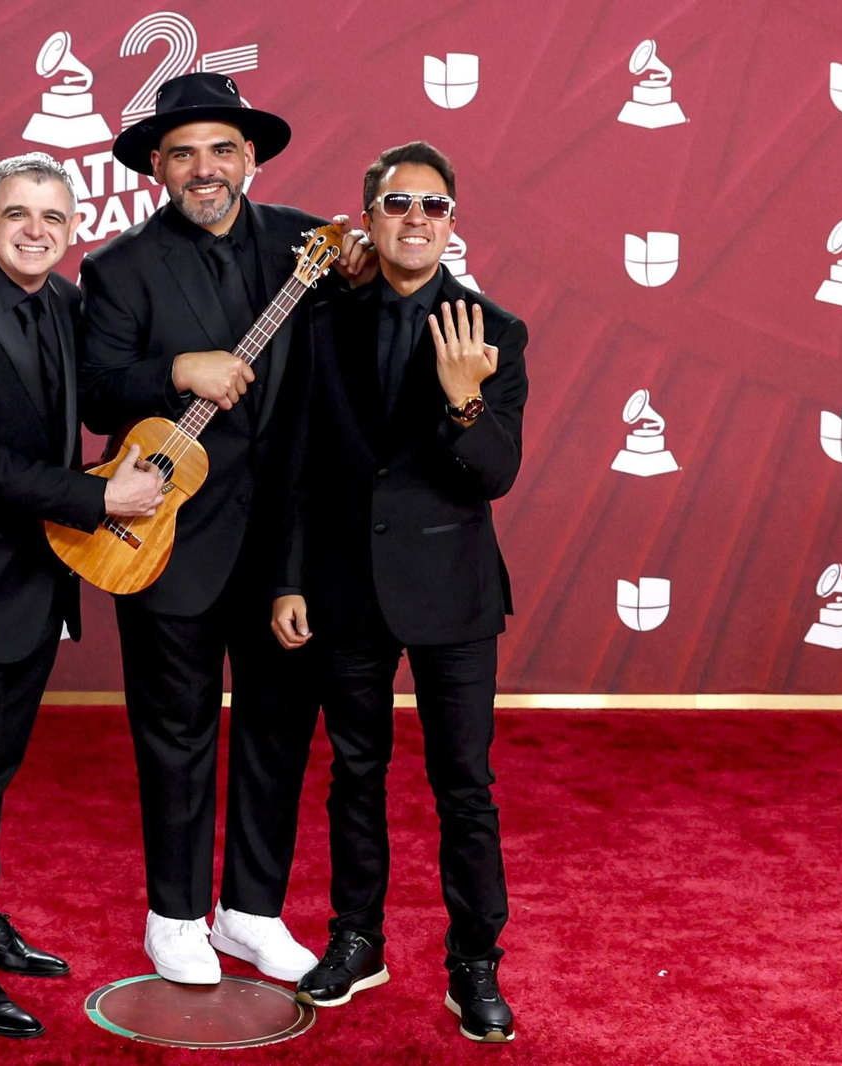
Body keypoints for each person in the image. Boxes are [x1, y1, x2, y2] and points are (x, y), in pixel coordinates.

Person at [78, 72, 373, 986]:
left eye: (221, 149)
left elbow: (352, 361)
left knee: (280, 727)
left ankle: (249, 911)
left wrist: (366, 280)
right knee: (175, 729)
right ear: (157, 167)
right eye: (184, 153)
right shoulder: (118, 267)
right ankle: (174, 915)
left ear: (249, 156)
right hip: (169, 534)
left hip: (288, 540)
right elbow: (95, 393)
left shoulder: (307, 246)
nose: (204, 168)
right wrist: (177, 369)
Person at [0, 152, 166, 1039]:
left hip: (34, 584)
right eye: (18, 215)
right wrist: (102, 498)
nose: (36, 230)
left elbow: (106, 394)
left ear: (74, 225)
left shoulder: (65, 304)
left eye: (53, 216)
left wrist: (188, 375)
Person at [272, 141, 529, 1043]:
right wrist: (291, 578)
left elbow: (494, 473)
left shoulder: (493, 327)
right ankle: (357, 938)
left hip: (452, 591)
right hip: (345, 588)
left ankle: (474, 962)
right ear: (369, 217)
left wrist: (465, 401)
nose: (415, 219)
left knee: (464, 785)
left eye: (433, 206)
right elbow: (299, 464)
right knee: (355, 775)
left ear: (453, 222)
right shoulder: (323, 319)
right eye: (396, 204)